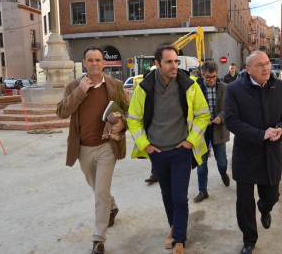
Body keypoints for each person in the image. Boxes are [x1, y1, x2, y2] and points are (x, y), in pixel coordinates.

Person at [127, 44, 210, 254]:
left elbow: (203, 114)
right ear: (157, 64)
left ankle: (179, 239)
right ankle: (173, 227)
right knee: (167, 194)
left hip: (181, 150)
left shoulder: (189, 85)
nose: (174, 66)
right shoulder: (143, 88)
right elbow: (134, 120)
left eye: (176, 61)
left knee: (180, 196)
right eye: (169, 62)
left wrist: (191, 141)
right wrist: (146, 146)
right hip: (157, 152)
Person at [56, 45, 129, 254]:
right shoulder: (73, 87)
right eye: (90, 60)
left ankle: (98, 239)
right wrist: (80, 91)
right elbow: (61, 111)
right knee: (96, 188)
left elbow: (126, 111)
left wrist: (121, 122)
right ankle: (112, 207)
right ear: (84, 63)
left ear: (104, 63)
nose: (95, 63)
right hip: (83, 149)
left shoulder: (115, 85)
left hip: (107, 146)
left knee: (100, 192)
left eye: (98, 60)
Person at [225, 51, 282, 254]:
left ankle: (265, 208)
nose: (266, 68)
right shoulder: (234, 89)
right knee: (245, 203)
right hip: (246, 154)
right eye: (259, 65)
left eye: (267, 63)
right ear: (248, 70)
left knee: (271, 196)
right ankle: (249, 240)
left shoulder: (280, 87)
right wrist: (260, 134)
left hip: (271, 153)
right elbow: (232, 121)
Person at [193, 61, 230, 203]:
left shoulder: (224, 88)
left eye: (214, 77)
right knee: (201, 163)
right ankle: (203, 190)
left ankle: (223, 173)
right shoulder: (195, 88)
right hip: (201, 131)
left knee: (221, 160)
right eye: (208, 77)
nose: (211, 80)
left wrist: (221, 117)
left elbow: (230, 107)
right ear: (202, 75)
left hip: (218, 128)